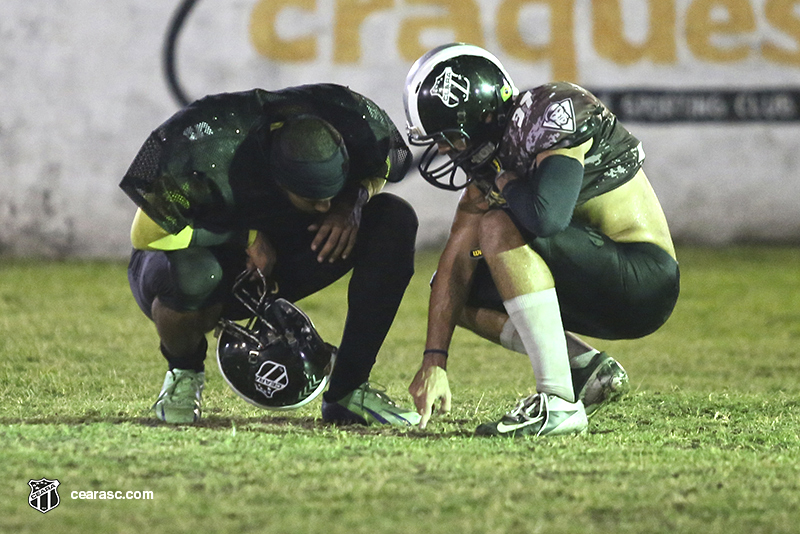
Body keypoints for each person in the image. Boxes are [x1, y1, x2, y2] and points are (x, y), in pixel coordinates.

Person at [402, 44, 680, 437]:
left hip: (643, 278)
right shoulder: (495, 163)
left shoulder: (548, 114)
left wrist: (507, 182)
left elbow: (547, 218)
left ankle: (558, 401)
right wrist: (434, 362)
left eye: (449, 137)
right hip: (593, 278)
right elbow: (455, 265)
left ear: (482, 115)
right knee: (453, 289)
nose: (444, 150)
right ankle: (584, 369)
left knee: (497, 226)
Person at [121, 83, 421, 426]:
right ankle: (184, 373)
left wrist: (352, 201)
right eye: (313, 199)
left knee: (393, 220)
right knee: (197, 274)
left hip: (275, 260)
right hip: (190, 261)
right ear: (278, 181)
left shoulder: (347, 118)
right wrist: (245, 236)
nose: (324, 206)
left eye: (330, 194)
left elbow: (380, 167)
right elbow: (147, 232)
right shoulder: (209, 148)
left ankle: (349, 391)